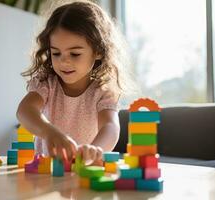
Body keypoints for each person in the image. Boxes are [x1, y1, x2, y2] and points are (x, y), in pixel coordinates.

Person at [17, 0, 132, 165]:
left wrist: (95, 150)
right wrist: (49, 132)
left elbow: (110, 126)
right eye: (56, 53)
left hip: (84, 169)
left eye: (75, 54)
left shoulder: (103, 91)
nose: (64, 62)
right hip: (47, 170)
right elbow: (25, 111)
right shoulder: (46, 83)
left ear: (98, 51)